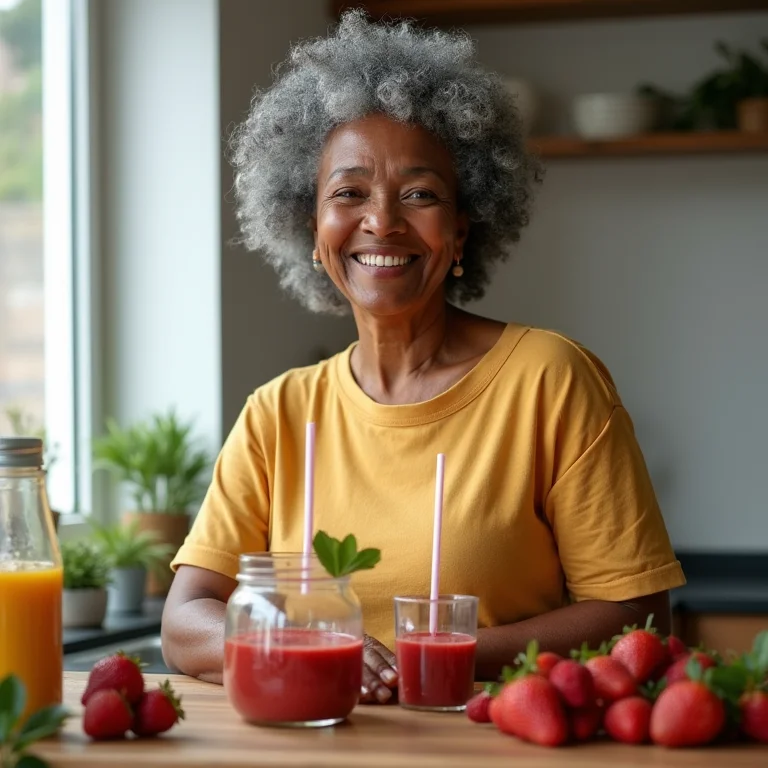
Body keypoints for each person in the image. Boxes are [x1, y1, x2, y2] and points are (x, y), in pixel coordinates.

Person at [162, 10, 686, 704]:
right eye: (348, 193)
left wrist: (430, 658)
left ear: (462, 230)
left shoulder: (551, 380)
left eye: (420, 194)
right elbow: (185, 621)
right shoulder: (278, 413)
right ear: (312, 233)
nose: (382, 221)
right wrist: (315, 649)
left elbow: (638, 614)